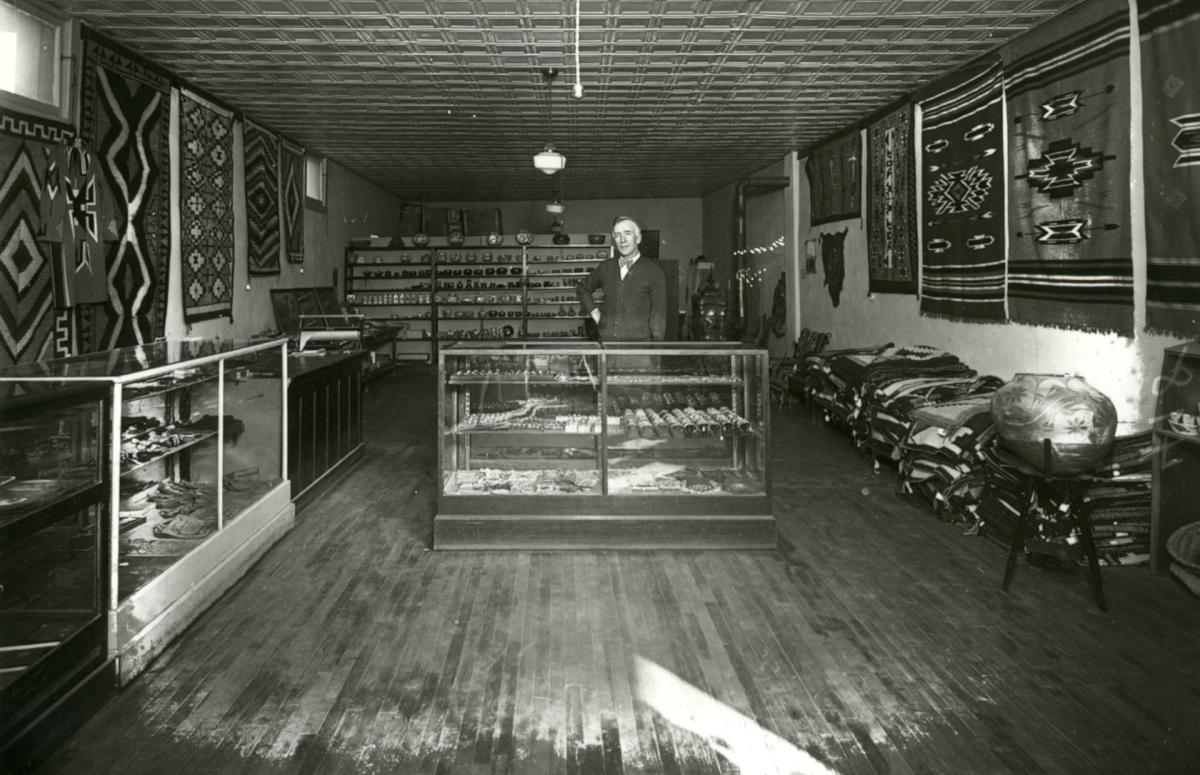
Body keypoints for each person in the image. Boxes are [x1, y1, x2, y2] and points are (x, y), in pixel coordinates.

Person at [576, 216, 667, 341]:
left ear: (638, 238)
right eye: (617, 235)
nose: (622, 240)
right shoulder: (606, 267)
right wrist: (595, 313)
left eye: (627, 233)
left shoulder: (654, 271)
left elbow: (659, 317)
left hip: (640, 351)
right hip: (608, 347)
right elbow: (582, 288)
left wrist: (656, 353)